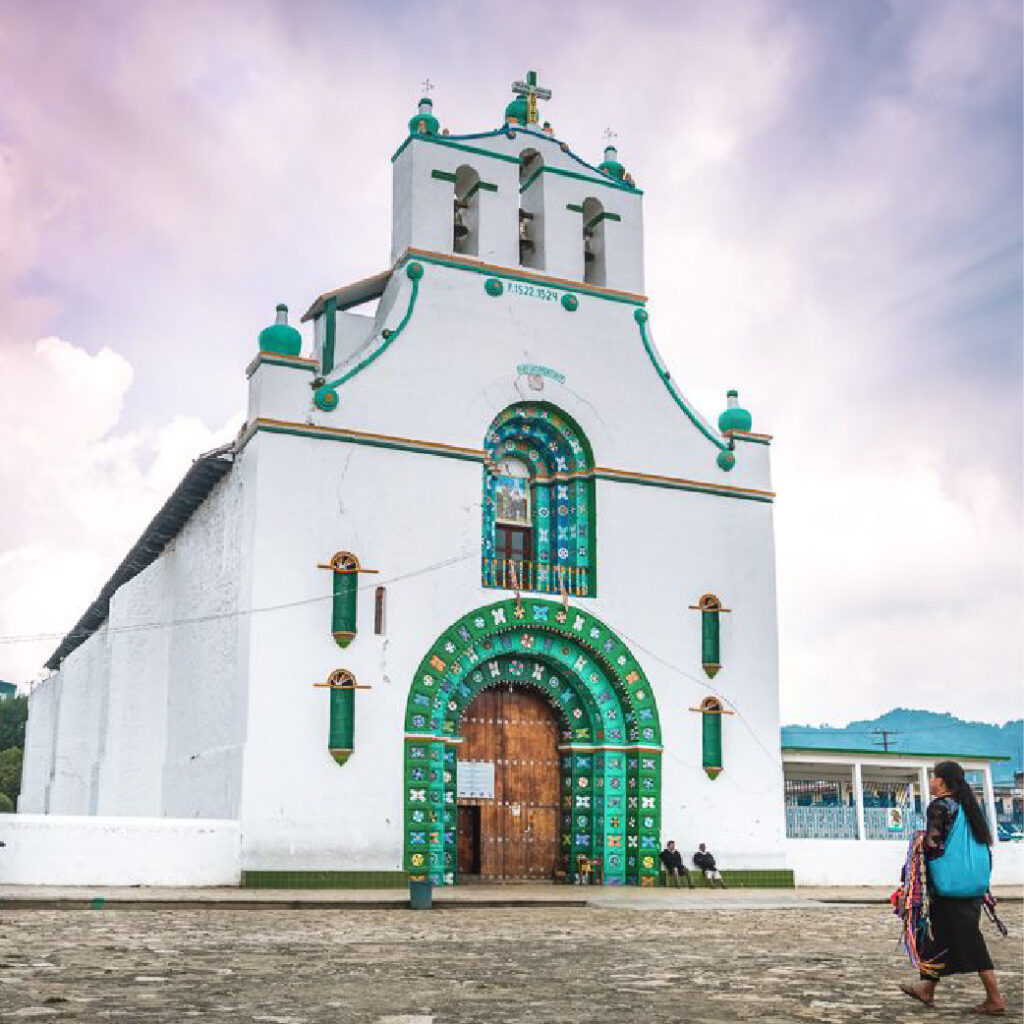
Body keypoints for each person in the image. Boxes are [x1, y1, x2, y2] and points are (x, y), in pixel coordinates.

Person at [899, 760, 1005, 1015]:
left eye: (933, 777)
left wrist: (919, 840)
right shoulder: (969, 808)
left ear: (943, 781)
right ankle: (927, 988)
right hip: (973, 885)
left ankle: (995, 998)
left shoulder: (940, 807)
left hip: (948, 887)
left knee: (970, 940)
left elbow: (934, 845)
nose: (931, 782)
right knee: (939, 936)